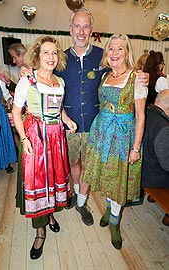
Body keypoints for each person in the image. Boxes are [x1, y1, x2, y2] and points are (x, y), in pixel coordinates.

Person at [20, 8, 149, 227]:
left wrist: (141, 74)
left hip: (94, 126)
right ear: (70, 29)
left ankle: (81, 202)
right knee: (71, 164)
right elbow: (43, 73)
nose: (81, 31)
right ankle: (69, 193)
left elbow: (123, 69)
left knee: (88, 167)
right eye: (77, 26)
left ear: (92, 29)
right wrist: (26, 70)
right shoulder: (60, 58)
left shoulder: (103, 56)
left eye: (86, 26)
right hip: (66, 125)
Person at [12, 36, 77, 260]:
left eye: (54, 53)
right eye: (46, 53)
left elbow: (59, 109)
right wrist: (24, 139)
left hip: (56, 137)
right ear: (37, 56)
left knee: (54, 179)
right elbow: (16, 111)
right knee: (38, 183)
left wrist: (67, 120)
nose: (51, 57)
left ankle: (50, 216)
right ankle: (40, 232)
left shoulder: (60, 82)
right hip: (36, 138)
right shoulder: (27, 81)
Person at [82, 33, 148, 249]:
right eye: (111, 48)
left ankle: (114, 222)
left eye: (120, 49)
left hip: (123, 137)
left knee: (118, 179)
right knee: (106, 176)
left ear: (127, 52)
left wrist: (136, 147)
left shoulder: (136, 78)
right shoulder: (105, 76)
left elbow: (141, 115)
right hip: (102, 133)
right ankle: (110, 209)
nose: (115, 53)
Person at [141, 89, 169, 226]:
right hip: (152, 177)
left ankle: (153, 197)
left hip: (142, 168)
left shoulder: (144, 113)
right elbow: (167, 165)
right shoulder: (163, 127)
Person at [0, 57, 17, 173]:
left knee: (4, 138)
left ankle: (6, 164)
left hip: (0, 113)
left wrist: (11, 100)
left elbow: (7, 96)